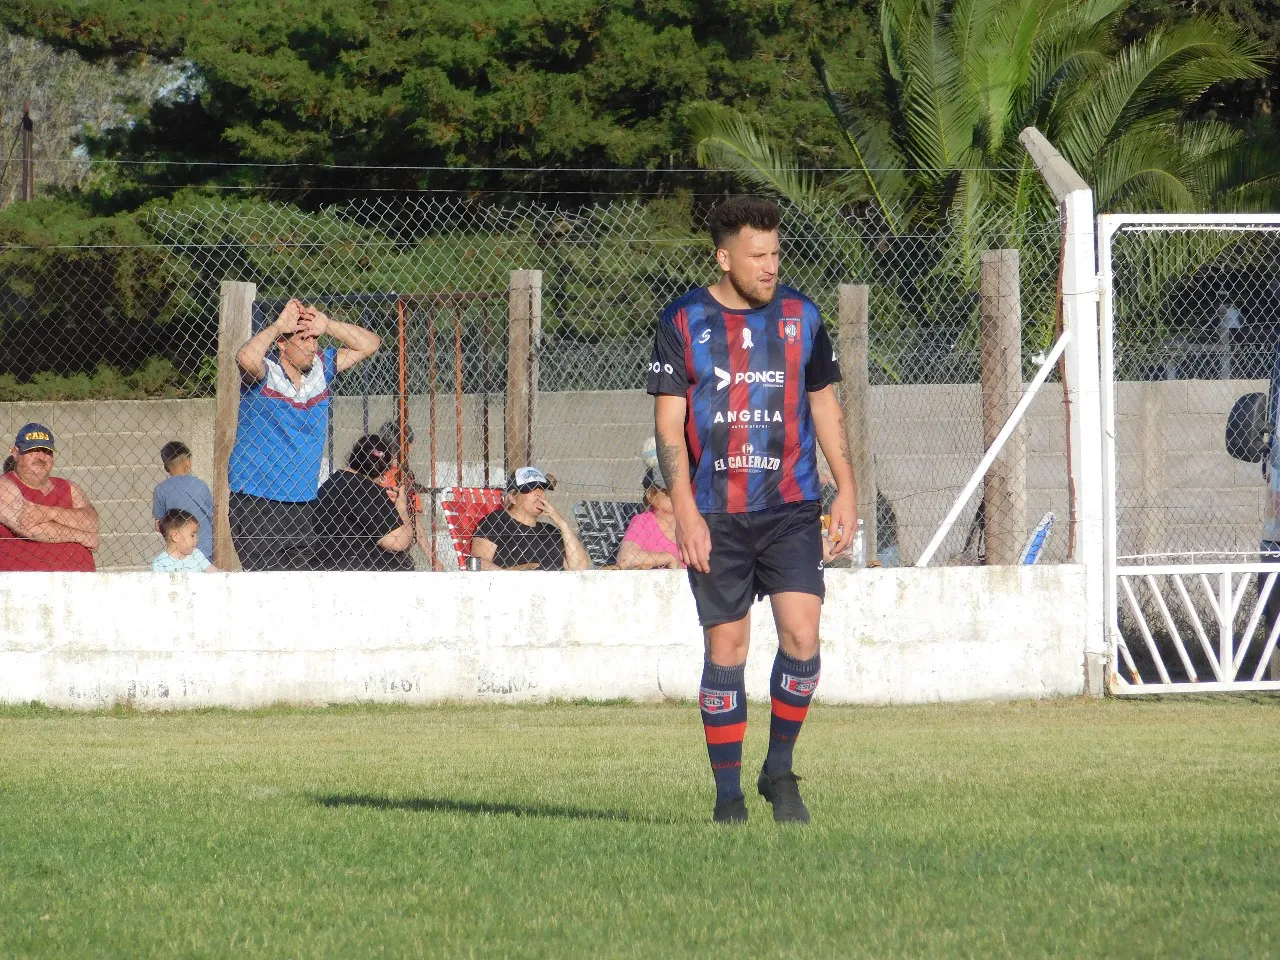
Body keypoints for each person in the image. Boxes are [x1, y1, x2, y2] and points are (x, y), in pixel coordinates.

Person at [648, 195, 857, 825]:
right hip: (716, 512)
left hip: (793, 504)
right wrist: (684, 511)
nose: (769, 266)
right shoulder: (683, 319)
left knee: (802, 634)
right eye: (756, 254)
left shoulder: (803, 316)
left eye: (775, 253)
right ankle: (728, 794)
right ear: (724, 256)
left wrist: (846, 485)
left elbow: (824, 404)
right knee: (728, 647)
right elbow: (669, 423)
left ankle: (781, 769)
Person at [228, 299, 380, 570]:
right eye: (303, 339)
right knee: (266, 587)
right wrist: (277, 327)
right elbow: (245, 358)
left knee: (300, 587)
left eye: (314, 339)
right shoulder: (266, 372)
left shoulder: (321, 369)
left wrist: (328, 325)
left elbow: (370, 344)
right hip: (257, 501)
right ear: (283, 344)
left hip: (303, 502)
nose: (312, 346)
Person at [0, 423, 99, 571]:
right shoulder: (4, 486)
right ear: (15, 453)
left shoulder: (69, 487)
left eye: (47, 451)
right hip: (23, 585)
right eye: (32, 450)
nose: (41, 456)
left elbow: (92, 524)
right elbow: (29, 527)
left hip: (80, 583)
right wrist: (80, 535)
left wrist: (48, 512)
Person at [312, 434, 415, 571]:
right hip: (354, 566)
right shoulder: (368, 491)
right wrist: (401, 508)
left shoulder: (333, 483)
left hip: (324, 562)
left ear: (353, 456)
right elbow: (398, 542)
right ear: (383, 474)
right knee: (404, 564)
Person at [469, 466, 592, 571]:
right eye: (531, 489)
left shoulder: (550, 531)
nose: (539, 494)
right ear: (512, 497)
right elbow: (480, 563)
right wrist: (514, 576)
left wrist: (562, 523)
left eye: (542, 489)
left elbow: (580, 568)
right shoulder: (497, 521)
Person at [152, 441, 215, 563]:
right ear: (187, 462)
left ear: (166, 467)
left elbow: (158, 525)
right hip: (206, 551)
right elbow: (212, 515)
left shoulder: (161, 489)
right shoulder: (201, 485)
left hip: (179, 553)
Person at [617, 466, 683, 570]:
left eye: (677, 490)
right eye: (666, 492)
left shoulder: (690, 521)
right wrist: (668, 558)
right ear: (650, 495)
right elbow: (626, 558)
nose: (674, 495)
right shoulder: (643, 522)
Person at [152, 508, 214, 572]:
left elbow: (215, 573)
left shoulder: (197, 555)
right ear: (175, 537)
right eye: (192, 535)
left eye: (196, 535)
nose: (197, 539)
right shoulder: (160, 563)